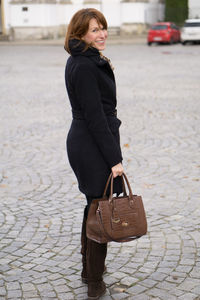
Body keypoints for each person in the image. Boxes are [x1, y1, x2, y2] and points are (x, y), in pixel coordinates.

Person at [64, 8, 124, 299]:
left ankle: (90, 270)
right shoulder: (85, 65)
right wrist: (115, 160)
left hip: (89, 140)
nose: (101, 34)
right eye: (94, 30)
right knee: (100, 210)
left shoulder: (83, 59)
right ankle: (94, 281)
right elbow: (95, 117)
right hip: (91, 144)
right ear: (80, 35)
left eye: (103, 27)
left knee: (94, 208)